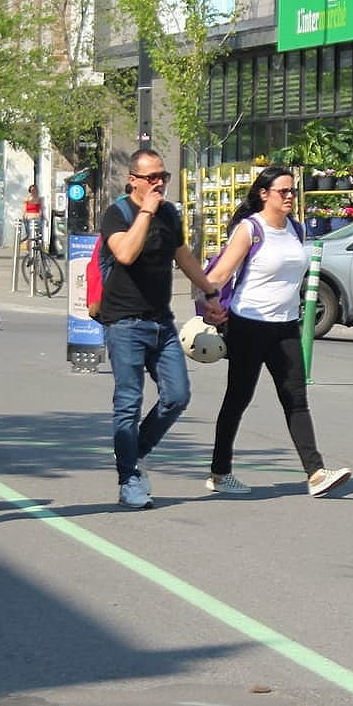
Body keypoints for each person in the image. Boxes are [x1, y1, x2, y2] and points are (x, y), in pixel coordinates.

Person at [199, 165, 349, 499]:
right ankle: (220, 472)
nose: (290, 196)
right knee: (238, 399)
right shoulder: (250, 230)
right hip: (248, 325)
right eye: (284, 191)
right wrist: (207, 301)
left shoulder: (296, 229)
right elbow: (221, 273)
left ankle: (315, 473)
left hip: (285, 327)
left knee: (296, 398)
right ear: (264, 194)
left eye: (293, 190)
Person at [97, 147, 226, 509]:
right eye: (151, 177)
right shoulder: (117, 214)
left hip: (161, 321)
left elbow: (181, 254)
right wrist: (146, 211)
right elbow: (125, 253)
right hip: (124, 322)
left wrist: (209, 292)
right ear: (132, 180)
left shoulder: (169, 213)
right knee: (128, 401)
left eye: (163, 177)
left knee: (177, 395)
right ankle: (129, 479)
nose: (159, 184)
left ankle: (132, 455)